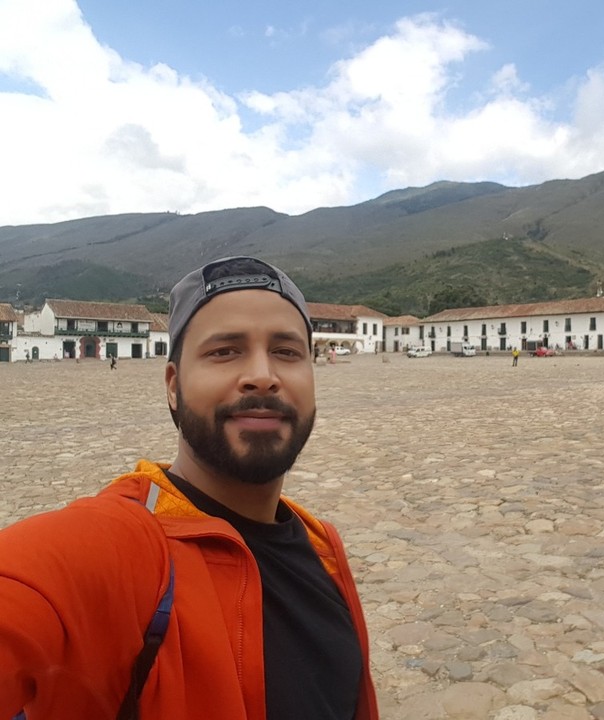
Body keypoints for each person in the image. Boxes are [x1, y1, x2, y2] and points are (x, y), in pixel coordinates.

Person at [0, 257, 378, 720]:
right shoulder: (117, 549)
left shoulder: (323, 550)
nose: (263, 374)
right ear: (174, 387)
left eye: (287, 351)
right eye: (225, 351)